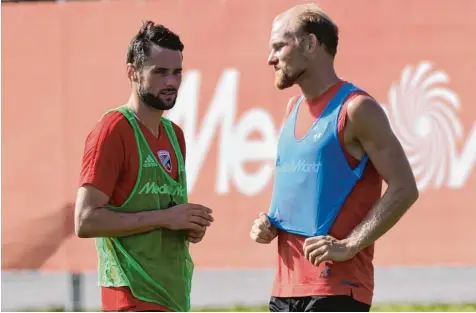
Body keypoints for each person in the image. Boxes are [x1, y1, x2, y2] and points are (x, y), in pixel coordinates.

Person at [250, 3, 419, 312]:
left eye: (279, 46)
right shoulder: (292, 109)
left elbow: (405, 188)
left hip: (337, 288)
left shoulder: (357, 109)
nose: (270, 58)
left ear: (310, 44)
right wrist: (269, 223)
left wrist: (350, 245)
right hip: (284, 287)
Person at [74, 21, 214, 312]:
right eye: (160, 72)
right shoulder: (113, 130)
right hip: (129, 296)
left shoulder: (175, 135)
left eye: (177, 72)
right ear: (132, 72)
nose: (171, 82)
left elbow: (166, 215)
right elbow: (85, 221)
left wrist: (188, 225)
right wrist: (165, 218)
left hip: (172, 295)